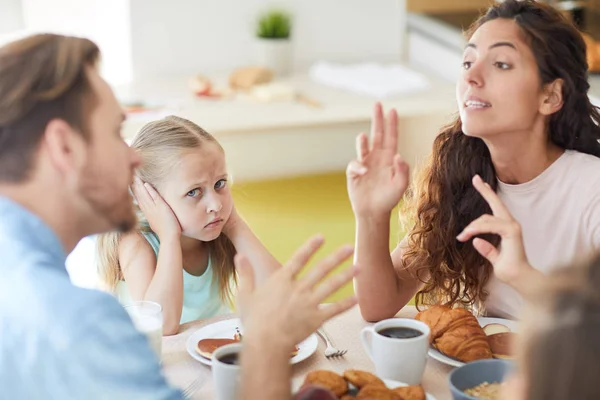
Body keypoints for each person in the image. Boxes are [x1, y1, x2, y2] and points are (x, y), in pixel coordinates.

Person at [0, 33, 356, 399]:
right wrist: (267, 350)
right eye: (114, 133)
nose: (134, 160)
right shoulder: (83, 325)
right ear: (63, 147)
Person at [347, 0, 600, 321]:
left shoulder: (592, 189)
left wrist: (523, 276)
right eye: (467, 62)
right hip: (488, 371)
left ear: (550, 96)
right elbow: (378, 305)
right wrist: (371, 216)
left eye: (501, 64)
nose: (472, 77)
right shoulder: (462, 174)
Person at [96, 116, 280, 335]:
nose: (215, 204)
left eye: (220, 183)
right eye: (193, 192)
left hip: (214, 344)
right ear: (149, 197)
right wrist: (169, 237)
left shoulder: (215, 227)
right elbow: (163, 327)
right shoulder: (135, 244)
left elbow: (282, 294)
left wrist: (235, 224)